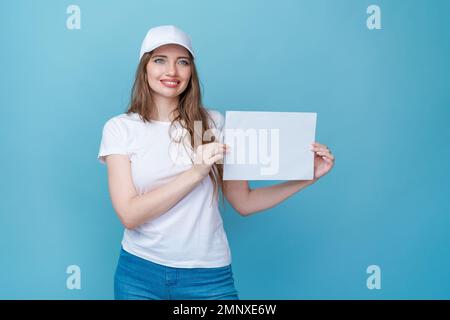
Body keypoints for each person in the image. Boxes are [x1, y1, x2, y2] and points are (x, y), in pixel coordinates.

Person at [97, 25, 335, 300]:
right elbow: (130, 214)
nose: (172, 71)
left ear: (191, 72)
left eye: (182, 62)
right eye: (160, 60)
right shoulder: (121, 129)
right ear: (145, 68)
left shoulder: (213, 124)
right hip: (139, 274)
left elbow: (244, 202)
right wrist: (196, 172)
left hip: (207, 277)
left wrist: (307, 176)